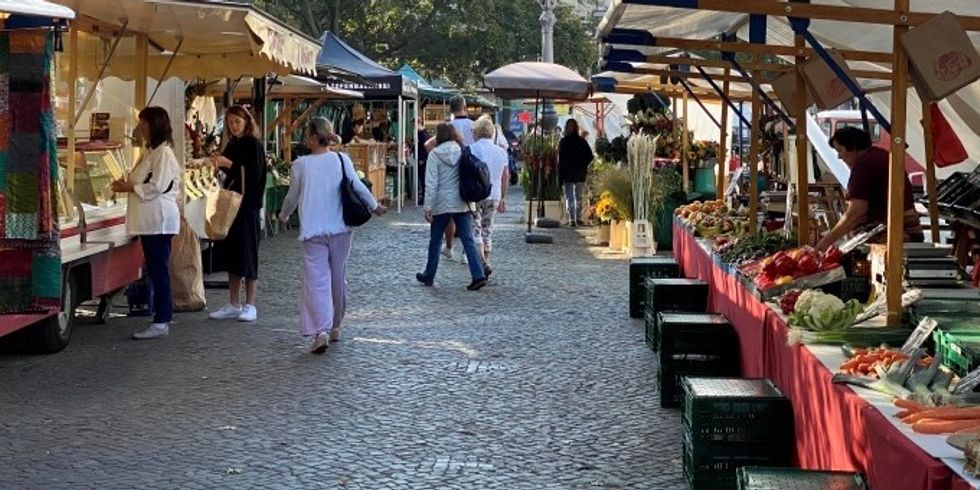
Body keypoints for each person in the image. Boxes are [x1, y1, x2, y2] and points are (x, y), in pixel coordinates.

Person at [279, 118, 387, 354]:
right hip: (340, 229)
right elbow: (358, 186)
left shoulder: (300, 165)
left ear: (311, 138)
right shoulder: (341, 159)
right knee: (338, 278)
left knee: (317, 281)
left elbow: (292, 197)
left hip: (312, 231)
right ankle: (336, 324)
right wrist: (374, 206)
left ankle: (322, 330)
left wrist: (284, 215)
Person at [111, 107, 181, 340]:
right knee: (157, 269)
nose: (140, 127)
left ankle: (161, 320)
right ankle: (164, 314)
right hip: (150, 220)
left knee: (158, 270)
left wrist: (129, 187)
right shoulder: (151, 151)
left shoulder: (163, 154)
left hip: (157, 221)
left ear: (154, 125)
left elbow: (158, 186)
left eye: (143, 123)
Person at [816, 126, 924, 251]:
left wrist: (823, 244)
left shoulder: (864, 166)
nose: (839, 157)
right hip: (907, 231)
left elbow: (855, 214)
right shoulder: (881, 156)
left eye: (840, 150)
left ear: (853, 147)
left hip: (892, 236)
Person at [209, 106, 268, 322]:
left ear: (246, 122)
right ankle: (233, 302)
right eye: (230, 122)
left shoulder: (253, 144)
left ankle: (251, 304)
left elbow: (254, 174)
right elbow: (231, 171)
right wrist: (219, 164)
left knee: (248, 253)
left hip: (248, 207)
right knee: (232, 253)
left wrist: (229, 164)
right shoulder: (233, 143)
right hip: (231, 205)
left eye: (237, 122)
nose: (233, 126)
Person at [416, 123, 487, 291]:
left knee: (435, 240)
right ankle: (478, 275)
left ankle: (429, 274)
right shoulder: (462, 151)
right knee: (467, 239)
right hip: (462, 200)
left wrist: (428, 207)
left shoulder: (435, 155)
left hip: (442, 203)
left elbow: (432, 183)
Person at [425, 95, 473, 263]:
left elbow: (428, 145)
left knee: (447, 220)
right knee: (469, 219)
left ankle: (449, 247)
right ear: (465, 107)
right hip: (468, 178)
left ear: (450, 109)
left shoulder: (449, 127)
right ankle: (468, 256)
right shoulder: (474, 126)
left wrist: (438, 154)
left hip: (446, 186)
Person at [469, 115, 510, 278]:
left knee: (476, 230)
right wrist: (504, 198)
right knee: (488, 230)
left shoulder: (472, 149)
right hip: (494, 194)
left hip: (476, 195)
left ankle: (482, 265)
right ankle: (486, 261)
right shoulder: (501, 152)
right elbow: (506, 175)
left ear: (477, 132)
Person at [558, 119, 593, 228]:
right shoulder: (582, 141)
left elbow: (561, 160)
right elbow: (590, 156)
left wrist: (560, 175)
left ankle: (571, 219)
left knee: (569, 196)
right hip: (579, 172)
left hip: (568, 172)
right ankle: (578, 217)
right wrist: (583, 165)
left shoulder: (564, 142)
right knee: (578, 196)